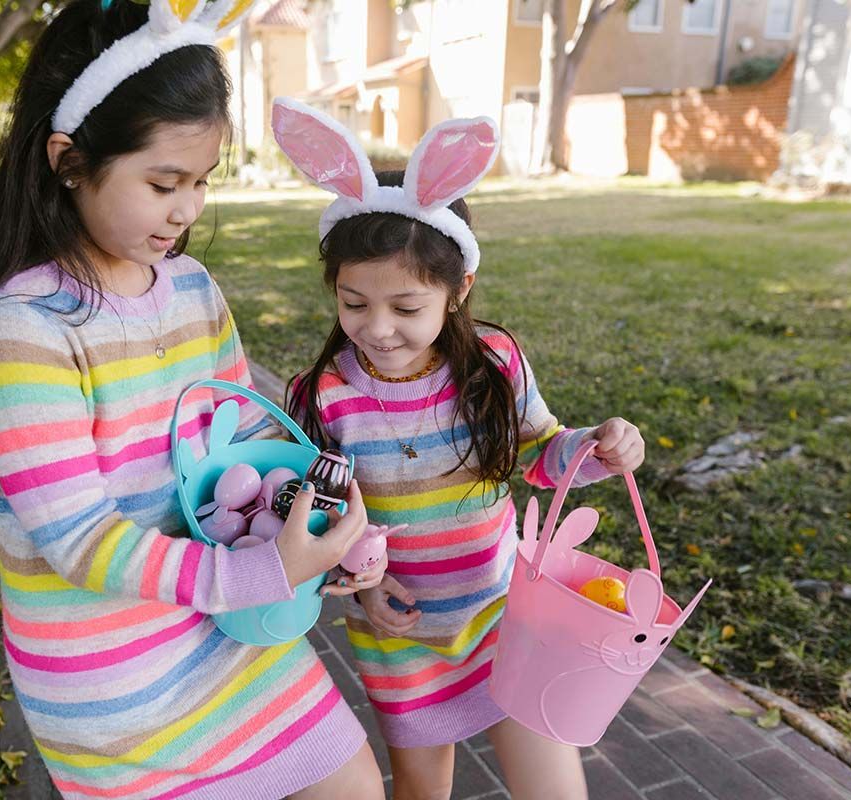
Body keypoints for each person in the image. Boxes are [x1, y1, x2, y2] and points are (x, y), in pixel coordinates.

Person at [0, 6, 387, 798]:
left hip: (230, 633)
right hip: (115, 682)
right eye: (163, 182)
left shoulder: (190, 287)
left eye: (200, 182)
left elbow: (250, 435)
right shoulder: (21, 331)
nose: (187, 210)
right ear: (69, 161)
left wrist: (318, 516)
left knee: (354, 785)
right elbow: (82, 541)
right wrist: (265, 570)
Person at [276, 98, 645, 800]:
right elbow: (312, 520)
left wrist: (598, 448)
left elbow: (540, 454)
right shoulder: (321, 396)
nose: (378, 329)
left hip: (504, 615)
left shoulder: (496, 365)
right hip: (399, 636)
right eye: (354, 303)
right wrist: (362, 581)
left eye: (406, 307)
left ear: (459, 288)